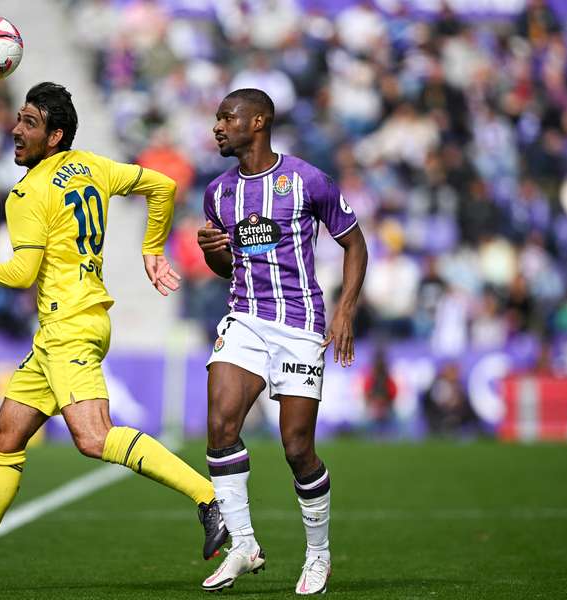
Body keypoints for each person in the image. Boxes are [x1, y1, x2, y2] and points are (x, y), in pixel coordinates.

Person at [0, 82, 226, 587]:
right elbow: (163, 187)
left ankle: (211, 499)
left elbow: (20, 274)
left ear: (54, 135)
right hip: (72, 323)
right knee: (7, 435)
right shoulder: (91, 165)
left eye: (29, 124)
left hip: (69, 327)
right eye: (18, 119)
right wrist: (152, 249)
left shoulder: (28, 193)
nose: (15, 130)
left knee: (94, 437)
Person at [196, 89, 368, 594]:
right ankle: (244, 544)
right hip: (245, 318)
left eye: (228, 117)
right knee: (221, 423)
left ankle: (318, 555)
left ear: (260, 121)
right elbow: (227, 265)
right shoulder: (218, 193)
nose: (218, 127)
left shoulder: (306, 180)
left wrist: (345, 309)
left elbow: (354, 243)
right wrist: (213, 253)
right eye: (217, 118)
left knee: (297, 449)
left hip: (299, 324)